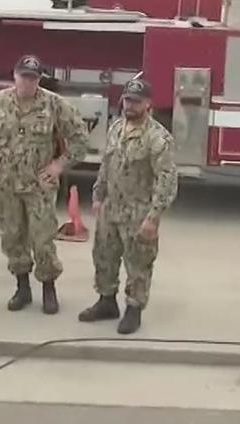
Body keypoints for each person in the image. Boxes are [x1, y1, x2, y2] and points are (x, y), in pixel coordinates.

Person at [0, 54, 89, 315]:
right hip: (7, 184)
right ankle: (22, 288)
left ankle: (48, 289)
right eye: (24, 77)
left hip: (39, 187)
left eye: (33, 78)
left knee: (43, 240)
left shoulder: (53, 105)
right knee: (12, 238)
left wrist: (59, 165)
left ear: (39, 79)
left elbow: (80, 137)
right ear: (15, 76)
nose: (27, 83)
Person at [79, 77, 178, 334]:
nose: (130, 105)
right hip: (111, 209)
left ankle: (134, 310)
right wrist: (98, 196)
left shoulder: (158, 138)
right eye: (127, 100)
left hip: (138, 212)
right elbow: (106, 165)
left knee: (138, 265)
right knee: (104, 258)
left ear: (147, 104)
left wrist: (153, 218)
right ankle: (106, 302)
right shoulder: (116, 128)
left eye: (136, 101)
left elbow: (166, 180)